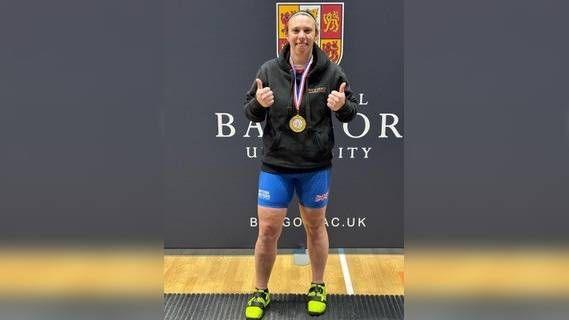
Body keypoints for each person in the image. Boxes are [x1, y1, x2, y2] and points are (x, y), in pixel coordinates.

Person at [243, 10, 358, 320]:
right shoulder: (268, 70)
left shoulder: (332, 72)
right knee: (267, 230)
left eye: (308, 30)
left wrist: (343, 106)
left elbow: (352, 113)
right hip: (276, 165)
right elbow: (249, 112)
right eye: (296, 30)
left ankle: (317, 286)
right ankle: (260, 290)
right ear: (287, 34)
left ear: (315, 34)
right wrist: (259, 104)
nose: (302, 36)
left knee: (315, 226)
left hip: (315, 166)